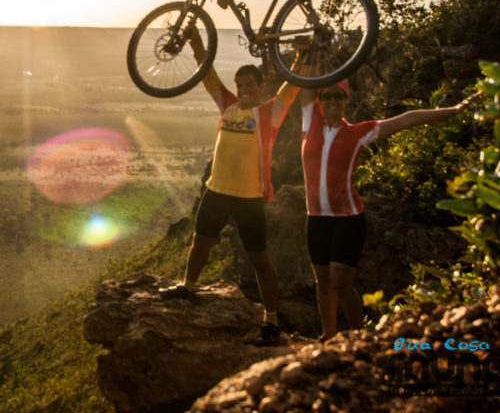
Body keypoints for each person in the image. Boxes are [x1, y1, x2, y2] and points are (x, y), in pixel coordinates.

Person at [160, 31, 309, 347]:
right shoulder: (227, 104)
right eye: (239, 85)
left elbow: (292, 87)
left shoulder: (269, 112)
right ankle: (189, 286)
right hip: (216, 191)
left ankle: (271, 321)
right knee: (200, 242)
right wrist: (197, 45)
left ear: (260, 87)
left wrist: (301, 56)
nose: (242, 90)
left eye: (249, 86)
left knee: (260, 261)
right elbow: (208, 76)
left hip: (249, 198)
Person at [299, 82, 481, 340]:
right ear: (320, 99)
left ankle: (358, 336)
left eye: (338, 97)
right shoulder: (310, 124)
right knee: (323, 282)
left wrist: (453, 110)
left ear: (345, 101)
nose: (331, 101)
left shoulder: (357, 132)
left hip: (348, 219)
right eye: (326, 96)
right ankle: (328, 335)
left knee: (340, 282)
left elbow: (407, 119)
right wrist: (308, 52)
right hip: (316, 218)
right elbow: (306, 84)